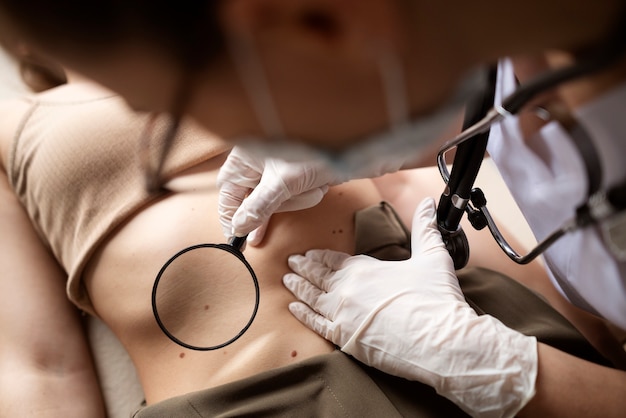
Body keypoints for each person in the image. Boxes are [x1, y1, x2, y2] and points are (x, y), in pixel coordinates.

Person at [0, 1, 625, 416]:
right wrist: (414, 140)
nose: (206, 138)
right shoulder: (517, 64)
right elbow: (36, 367)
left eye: (182, 113)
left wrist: (509, 367)